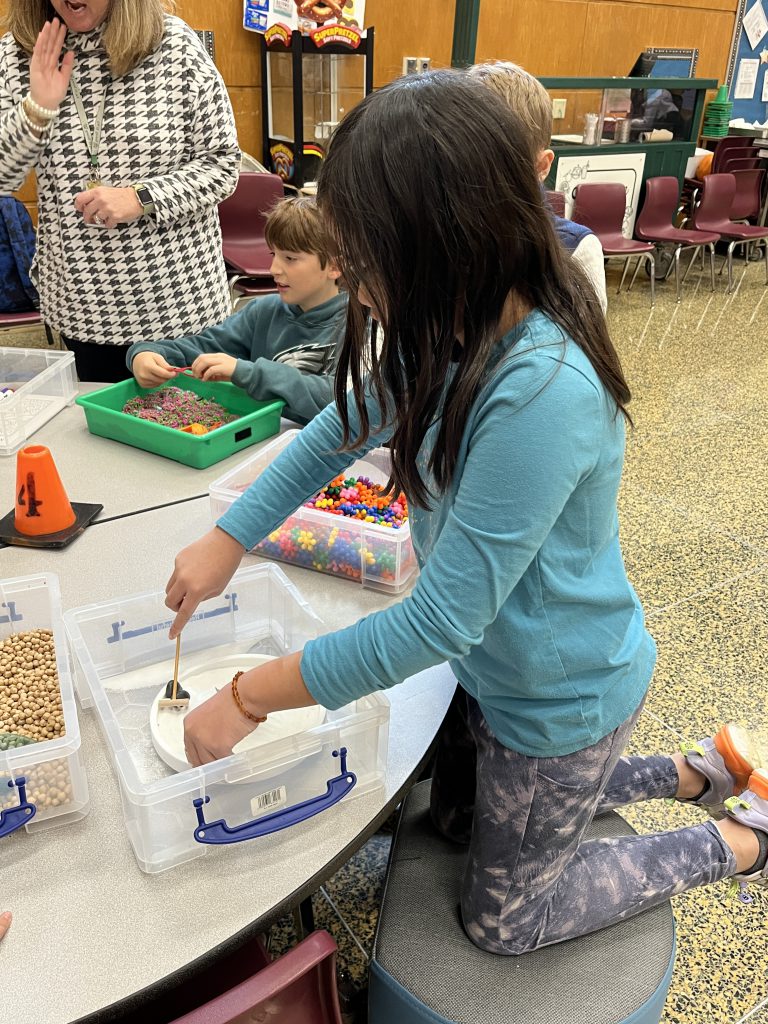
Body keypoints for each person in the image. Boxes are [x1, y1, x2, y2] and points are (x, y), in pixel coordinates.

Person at [163, 72, 768, 956]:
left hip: (558, 700)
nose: (355, 290)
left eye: (366, 264)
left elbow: (440, 620)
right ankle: (691, 771)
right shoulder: (447, 323)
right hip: (494, 678)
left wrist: (251, 697)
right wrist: (228, 534)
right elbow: (340, 425)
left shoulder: (543, 387)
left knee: (505, 921)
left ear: (443, 244)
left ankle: (740, 839)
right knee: (445, 817)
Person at [0, 1, 240, 383]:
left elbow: (223, 165)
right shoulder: (20, 54)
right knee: (102, 436)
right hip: (84, 305)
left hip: (178, 304)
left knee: (187, 429)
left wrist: (142, 197)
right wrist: (37, 109)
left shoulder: (175, 46)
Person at [127, 197, 346, 425]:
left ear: (334, 267)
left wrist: (248, 373)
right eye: (274, 255)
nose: (274, 269)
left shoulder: (361, 326)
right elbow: (200, 347)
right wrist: (145, 353)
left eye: (290, 258)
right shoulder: (263, 311)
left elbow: (343, 400)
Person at [467, 61, 608, 314]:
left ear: (542, 166)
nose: (481, 179)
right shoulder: (443, 233)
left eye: (502, 164)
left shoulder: (575, 249)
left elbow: (583, 344)